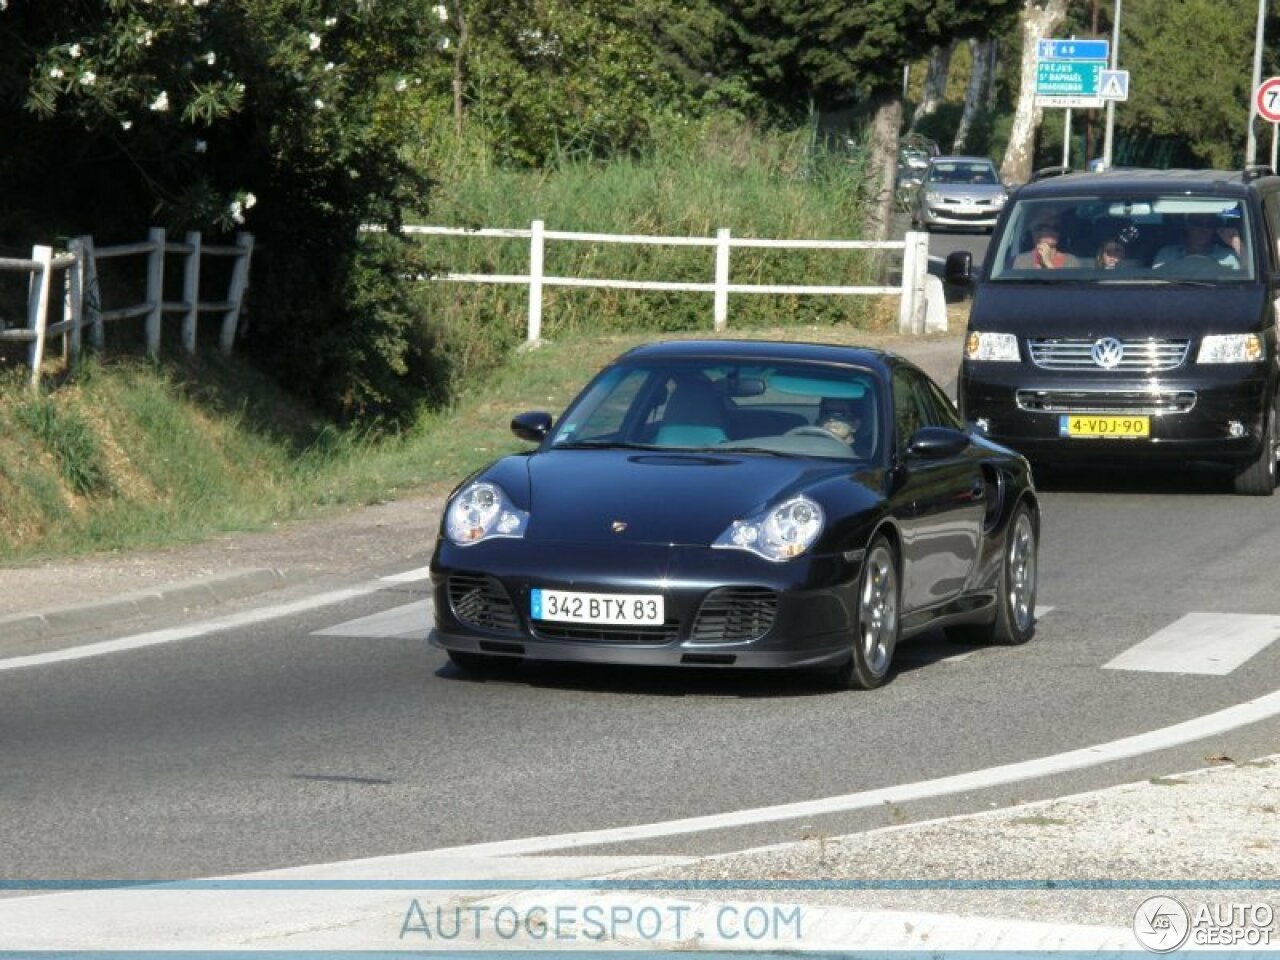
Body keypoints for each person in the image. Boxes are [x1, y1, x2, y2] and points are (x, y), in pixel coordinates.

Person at [1152, 214, 1241, 269]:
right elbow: (1157, 283)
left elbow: (1245, 277)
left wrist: (1236, 243)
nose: (1203, 229)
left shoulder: (1227, 256)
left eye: (1209, 225)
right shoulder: (1167, 254)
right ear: (1188, 226)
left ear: (1215, 229)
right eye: (1197, 223)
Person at [1012, 213, 1081, 269]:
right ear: (1033, 231)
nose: (1050, 231)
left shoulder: (1071, 261)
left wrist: (1048, 263)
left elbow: (1067, 286)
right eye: (1043, 227)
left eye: (1056, 227)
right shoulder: (1021, 261)